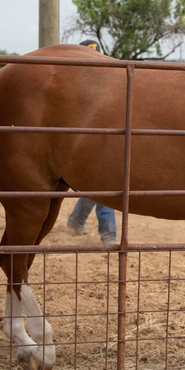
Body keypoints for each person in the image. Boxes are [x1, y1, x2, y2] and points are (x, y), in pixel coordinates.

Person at [65, 38, 118, 243]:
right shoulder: (72, 83)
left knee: (99, 182)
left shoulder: (110, 80)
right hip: (85, 140)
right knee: (104, 182)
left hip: (105, 138)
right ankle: (108, 233)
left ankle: (77, 220)